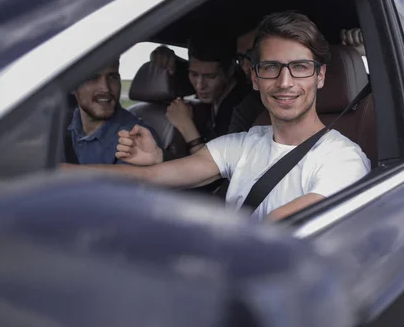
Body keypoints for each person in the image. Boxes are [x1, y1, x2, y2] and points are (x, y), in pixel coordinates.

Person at [62, 11, 370, 221]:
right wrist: (45, 173)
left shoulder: (342, 157)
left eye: (300, 67)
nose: (285, 82)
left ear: (320, 76)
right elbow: (146, 176)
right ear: (254, 77)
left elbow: (277, 228)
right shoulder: (240, 144)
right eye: (271, 67)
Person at [152, 33, 251, 154]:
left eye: (210, 76)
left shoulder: (242, 111)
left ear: (230, 70)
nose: (200, 85)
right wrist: (167, 57)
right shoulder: (214, 92)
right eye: (193, 74)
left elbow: (217, 171)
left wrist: (186, 125)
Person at [64, 61, 163, 165]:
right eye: (93, 77)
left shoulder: (136, 140)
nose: (106, 89)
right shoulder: (58, 125)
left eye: (112, 77)